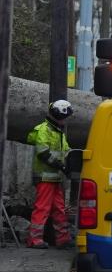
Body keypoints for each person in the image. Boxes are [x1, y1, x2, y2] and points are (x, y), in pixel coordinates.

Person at [26, 100, 74, 249]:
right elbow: (43, 152)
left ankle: (63, 239)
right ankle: (34, 240)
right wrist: (62, 166)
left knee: (59, 209)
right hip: (45, 176)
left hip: (55, 177)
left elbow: (67, 151)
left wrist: (73, 160)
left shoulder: (58, 132)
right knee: (43, 208)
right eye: (66, 116)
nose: (67, 119)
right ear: (61, 114)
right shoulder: (44, 130)